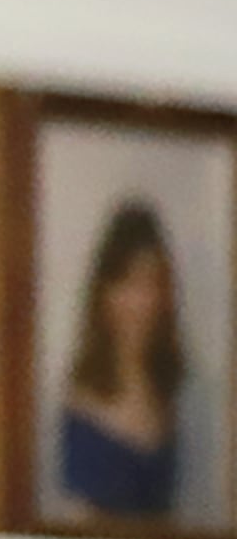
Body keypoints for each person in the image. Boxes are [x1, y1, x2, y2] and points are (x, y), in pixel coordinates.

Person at [56, 198, 186, 522]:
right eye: (128, 283)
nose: (142, 302)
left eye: (152, 283)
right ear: (104, 293)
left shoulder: (167, 393)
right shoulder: (82, 403)